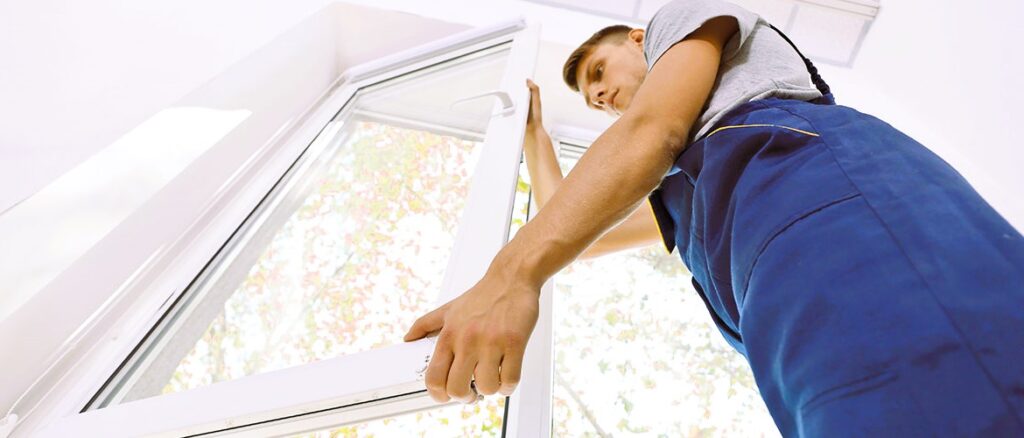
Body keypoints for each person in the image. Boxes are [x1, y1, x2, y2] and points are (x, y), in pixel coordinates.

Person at [404, 0, 1024, 434]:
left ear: (642, 39)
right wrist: (535, 135)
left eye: (599, 73)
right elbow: (589, 234)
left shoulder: (679, 20)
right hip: (766, 289)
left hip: (816, 193)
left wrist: (511, 276)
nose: (599, 98)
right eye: (593, 102)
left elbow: (653, 129)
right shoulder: (692, 187)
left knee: (942, 395)